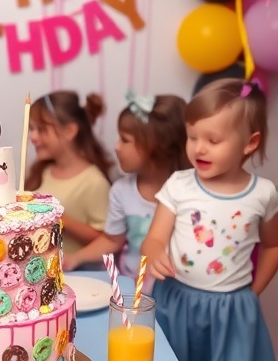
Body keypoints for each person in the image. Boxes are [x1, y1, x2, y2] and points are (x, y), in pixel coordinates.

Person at [141, 78, 278, 361]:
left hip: (232, 313)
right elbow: (153, 239)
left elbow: (272, 246)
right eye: (192, 136)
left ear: (249, 143)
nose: (198, 148)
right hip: (176, 305)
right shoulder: (179, 187)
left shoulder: (264, 194)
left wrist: (251, 292)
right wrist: (156, 252)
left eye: (212, 139)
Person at [64, 92, 189, 276]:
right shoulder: (122, 191)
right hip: (134, 289)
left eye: (125, 140)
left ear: (156, 146)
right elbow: (112, 240)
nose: (116, 147)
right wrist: (75, 258)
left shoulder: (189, 190)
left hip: (176, 289)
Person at [26, 91, 112, 256]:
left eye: (41, 129)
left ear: (70, 131)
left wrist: (60, 218)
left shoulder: (93, 182)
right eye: (31, 128)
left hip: (76, 274)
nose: (33, 136)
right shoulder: (40, 172)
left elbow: (106, 238)